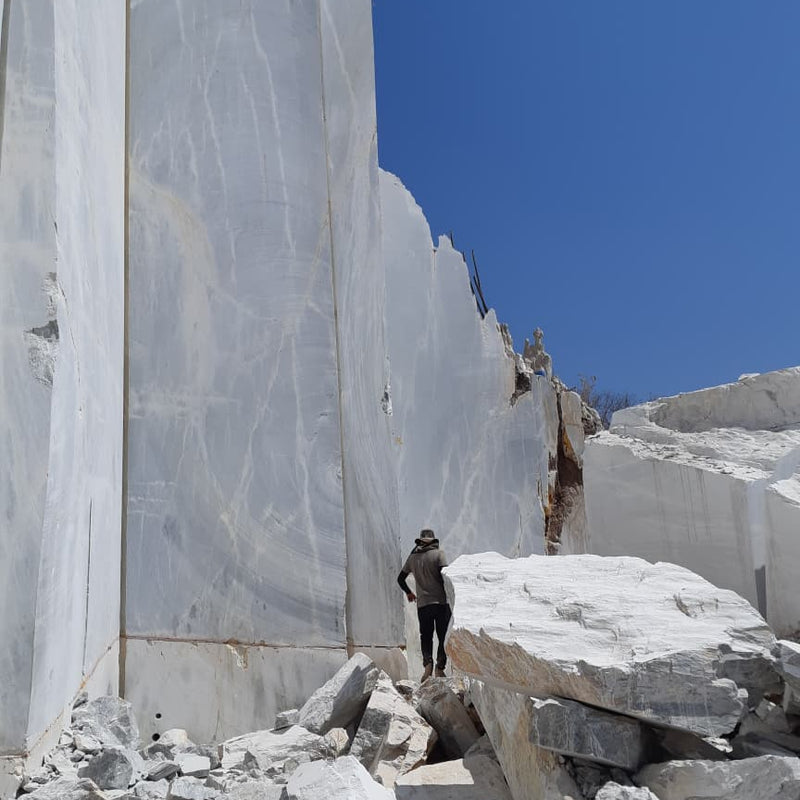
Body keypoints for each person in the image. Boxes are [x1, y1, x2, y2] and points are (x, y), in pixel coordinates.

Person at [397, 528, 452, 682]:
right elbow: (445, 578)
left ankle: (427, 664)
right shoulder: (439, 554)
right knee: (443, 637)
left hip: (423, 605)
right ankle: (439, 668)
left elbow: (400, 579)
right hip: (441, 603)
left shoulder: (412, 559)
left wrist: (409, 593)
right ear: (433, 540)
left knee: (426, 637)